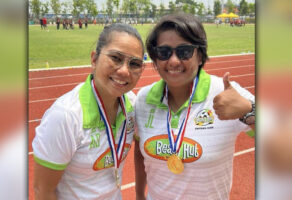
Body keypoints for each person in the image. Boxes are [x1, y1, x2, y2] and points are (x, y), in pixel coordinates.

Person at [134, 13, 255, 200]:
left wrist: (249, 110)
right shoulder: (143, 99)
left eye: (184, 51)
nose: (173, 61)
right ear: (155, 59)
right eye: (164, 52)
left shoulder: (224, 92)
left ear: (200, 56)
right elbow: (140, 152)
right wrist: (139, 195)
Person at [33, 23, 145, 200]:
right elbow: (42, 191)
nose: (124, 70)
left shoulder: (132, 104)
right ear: (94, 59)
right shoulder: (66, 116)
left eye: (135, 64)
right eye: (115, 58)